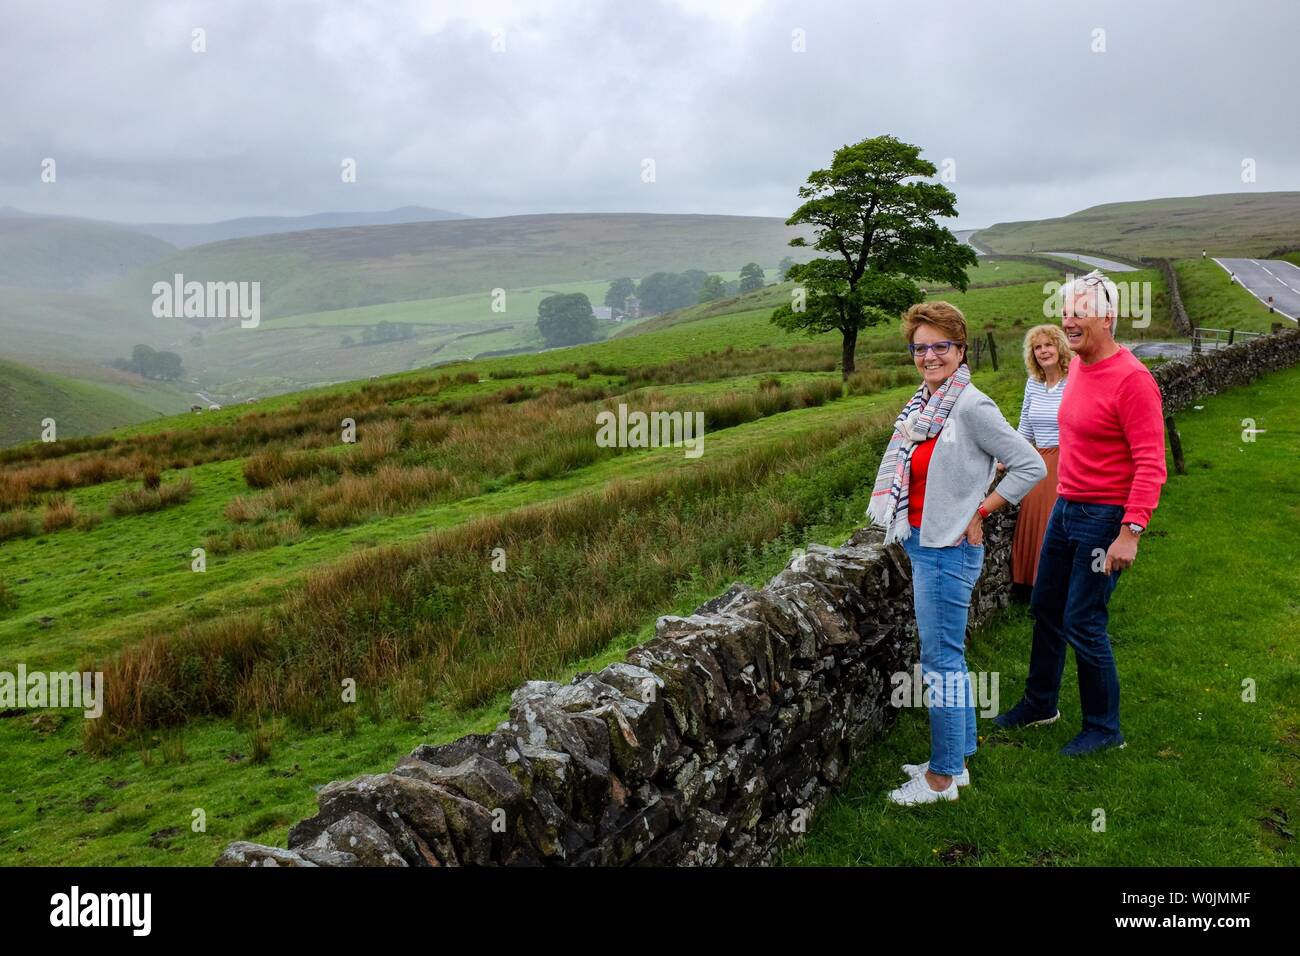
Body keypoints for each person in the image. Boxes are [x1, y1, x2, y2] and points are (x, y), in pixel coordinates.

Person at [869, 301, 1046, 805]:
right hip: (924, 542)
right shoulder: (924, 404)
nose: (929, 356)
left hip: (948, 548)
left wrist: (981, 510)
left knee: (940, 660)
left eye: (940, 346)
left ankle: (942, 778)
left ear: (961, 349)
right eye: (920, 347)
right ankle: (959, 754)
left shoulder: (970, 405)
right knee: (950, 656)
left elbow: (1030, 465)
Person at [993, 270, 1167, 756]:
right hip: (1066, 506)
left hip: (1104, 516)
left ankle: (1104, 729)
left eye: (1080, 312)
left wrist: (1130, 530)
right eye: (1065, 311)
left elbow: (1152, 463)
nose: (1069, 321)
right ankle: (1040, 703)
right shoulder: (1077, 371)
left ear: (1108, 317)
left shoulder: (1132, 379)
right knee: (1045, 607)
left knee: (1083, 619)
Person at [1010, 325, 1072, 590]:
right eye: (1038, 347)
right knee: (1033, 514)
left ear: (1060, 347)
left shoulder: (1074, 380)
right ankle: (1034, 581)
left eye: (1049, 344)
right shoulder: (1033, 384)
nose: (1044, 351)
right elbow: (1024, 428)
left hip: (1068, 459)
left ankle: (1060, 583)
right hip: (1039, 460)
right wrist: (1006, 457)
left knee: (1055, 519)